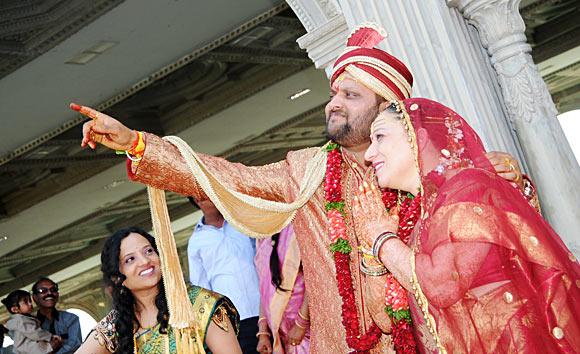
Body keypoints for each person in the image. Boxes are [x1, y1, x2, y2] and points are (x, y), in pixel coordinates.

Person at [71, 24, 530, 353]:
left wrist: (508, 185)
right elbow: (224, 178)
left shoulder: (428, 170)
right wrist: (135, 143)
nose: (334, 103)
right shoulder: (308, 171)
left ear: (387, 108)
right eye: (334, 93)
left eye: (351, 96)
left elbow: (497, 242)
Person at [352, 100, 580, 353]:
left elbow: (441, 285)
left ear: (418, 136)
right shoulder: (420, 220)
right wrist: (373, 246)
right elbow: (386, 319)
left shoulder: (469, 188)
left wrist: (382, 239)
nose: (369, 154)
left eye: (379, 137)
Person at [75, 226, 241, 353]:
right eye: (130, 259)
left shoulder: (200, 304)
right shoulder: (117, 325)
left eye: (149, 251)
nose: (145, 261)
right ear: (117, 278)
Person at [187, 197, 260, 353]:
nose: (207, 198)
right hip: (234, 322)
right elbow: (201, 289)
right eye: (201, 196)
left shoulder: (241, 223)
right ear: (196, 201)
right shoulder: (196, 241)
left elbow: (262, 260)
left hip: (265, 311)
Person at [255, 225, 310, 354]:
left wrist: (300, 324)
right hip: (280, 336)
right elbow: (265, 289)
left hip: (305, 333)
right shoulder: (262, 234)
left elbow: (314, 278)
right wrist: (263, 332)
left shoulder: (299, 227)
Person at [2, 289, 62, 354]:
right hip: (28, 348)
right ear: (15, 309)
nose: (30, 304)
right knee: (54, 344)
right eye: (26, 302)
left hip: (24, 347)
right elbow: (36, 333)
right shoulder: (21, 321)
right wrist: (50, 336)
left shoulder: (21, 319)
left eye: (30, 300)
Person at [32, 277, 81, 353]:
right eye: (43, 291)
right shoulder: (29, 325)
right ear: (34, 297)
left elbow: (75, 346)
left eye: (53, 290)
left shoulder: (71, 319)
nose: (49, 293)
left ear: (57, 294)